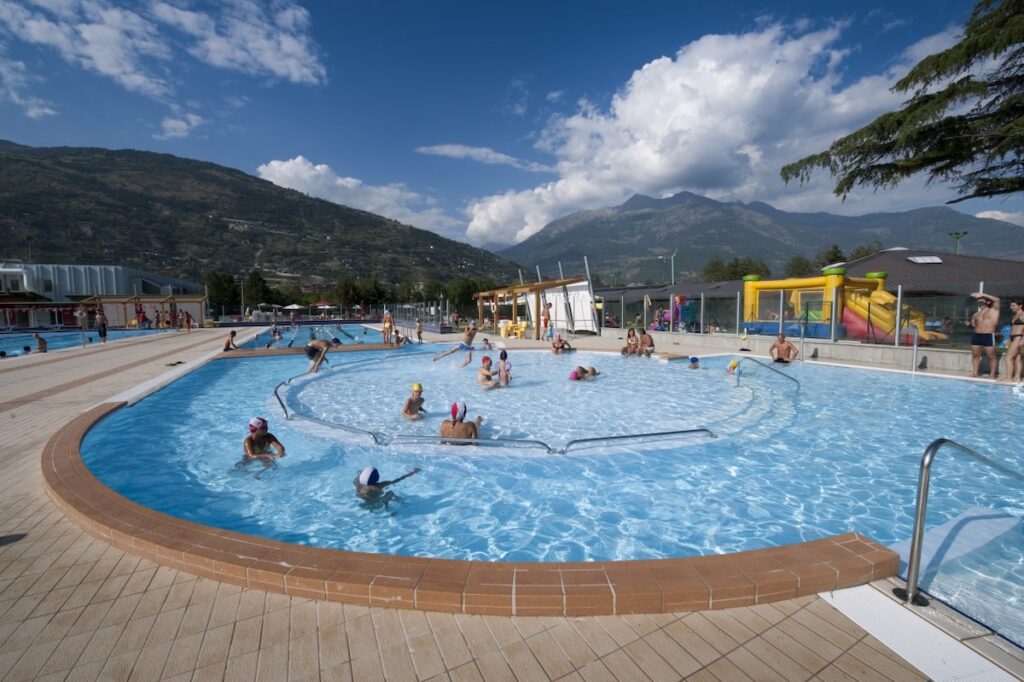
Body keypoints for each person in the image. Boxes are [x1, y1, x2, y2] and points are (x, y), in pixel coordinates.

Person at [353, 466, 421, 507]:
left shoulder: (358, 483)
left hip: (364, 505)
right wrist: (412, 473)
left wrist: (361, 472)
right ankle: (400, 502)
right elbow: (397, 480)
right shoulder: (380, 485)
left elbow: (358, 477)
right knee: (390, 493)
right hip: (377, 505)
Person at [970, 292, 1001, 378]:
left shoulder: (994, 311)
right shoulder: (976, 314)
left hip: (988, 335)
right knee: (975, 355)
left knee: (991, 355)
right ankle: (975, 372)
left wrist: (983, 294)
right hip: (976, 335)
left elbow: (997, 299)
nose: (979, 300)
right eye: (979, 299)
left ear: (988, 301)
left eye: (982, 299)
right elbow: (973, 325)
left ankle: (992, 374)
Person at [1006, 299, 1024, 383]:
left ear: (1020, 306)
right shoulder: (1015, 315)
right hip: (1012, 337)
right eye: (1011, 306)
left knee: (1008, 357)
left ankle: (1009, 378)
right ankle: (1017, 377)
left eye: (1013, 306)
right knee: (1017, 357)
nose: (1011, 307)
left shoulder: (1023, 315)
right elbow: (1013, 328)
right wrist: (1008, 339)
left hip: (1018, 337)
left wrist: (1023, 340)